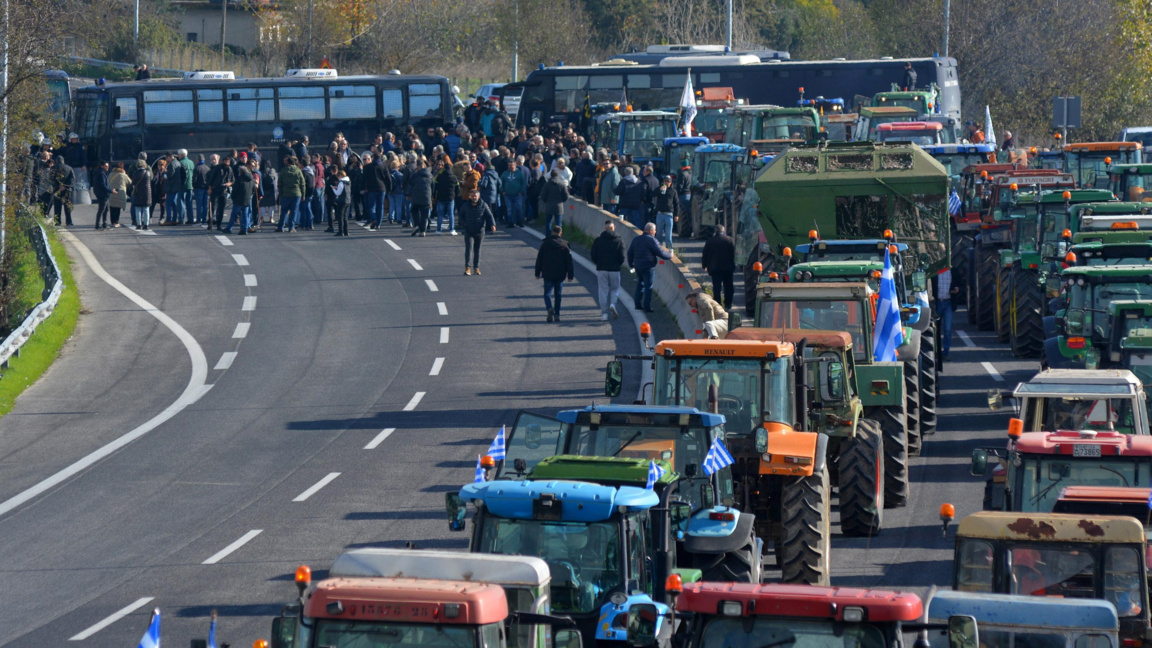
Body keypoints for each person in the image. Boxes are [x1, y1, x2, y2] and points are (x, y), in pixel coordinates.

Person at [627, 222, 672, 313]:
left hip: (638, 266)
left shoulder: (636, 239)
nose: (655, 232)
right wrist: (670, 255)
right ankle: (647, 307)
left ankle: (637, 304)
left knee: (640, 283)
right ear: (651, 231)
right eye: (655, 230)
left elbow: (629, 253)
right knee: (649, 286)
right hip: (648, 267)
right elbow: (661, 253)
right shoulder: (652, 240)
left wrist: (631, 265)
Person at [535, 225, 575, 322]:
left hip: (548, 273)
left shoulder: (545, 244)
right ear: (560, 234)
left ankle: (549, 308)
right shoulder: (565, 245)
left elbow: (539, 259)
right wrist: (570, 275)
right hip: (560, 274)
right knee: (558, 295)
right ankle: (557, 314)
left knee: (547, 294)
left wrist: (537, 273)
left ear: (552, 232)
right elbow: (569, 262)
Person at [590, 220, 626, 321]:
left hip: (602, 269)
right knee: (615, 289)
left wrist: (598, 263)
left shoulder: (598, 240)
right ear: (613, 228)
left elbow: (593, 255)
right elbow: (622, 256)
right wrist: (617, 264)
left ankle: (604, 313)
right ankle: (613, 304)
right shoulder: (619, 241)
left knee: (603, 290)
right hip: (614, 269)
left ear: (605, 228)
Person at [460, 188, 497, 275]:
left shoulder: (483, 205)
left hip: (480, 231)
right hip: (469, 230)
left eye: (475, 196)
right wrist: (464, 224)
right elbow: (461, 215)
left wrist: (493, 224)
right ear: (470, 196)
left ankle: (476, 267)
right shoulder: (465, 205)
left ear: (478, 196)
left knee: (477, 250)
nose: (474, 197)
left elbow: (489, 215)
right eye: (472, 196)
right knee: (468, 249)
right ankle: (467, 268)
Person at [701, 224, 737, 310]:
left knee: (716, 288)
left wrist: (704, 265)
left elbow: (705, 254)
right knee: (728, 287)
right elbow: (733, 254)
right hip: (727, 269)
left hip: (715, 268)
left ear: (715, 232)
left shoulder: (710, 241)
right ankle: (728, 304)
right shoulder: (729, 240)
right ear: (723, 231)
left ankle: (718, 305)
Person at [224, 161, 254, 235]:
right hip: (247, 199)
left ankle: (229, 228)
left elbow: (235, 190)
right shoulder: (251, 179)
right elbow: (253, 189)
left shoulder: (239, 179)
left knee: (234, 214)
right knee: (245, 214)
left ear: (240, 172)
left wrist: (233, 198)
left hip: (238, 200)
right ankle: (245, 229)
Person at [363, 153, 391, 229]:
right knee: (380, 206)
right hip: (382, 188)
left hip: (371, 188)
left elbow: (364, 178)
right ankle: (379, 223)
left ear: (373, 158)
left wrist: (363, 187)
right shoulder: (383, 166)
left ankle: (373, 218)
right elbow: (388, 178)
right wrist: (389, 188)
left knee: (372, 205)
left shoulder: (368, 167)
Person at [277, 156, 305, 232]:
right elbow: (302, 183)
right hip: (296, 193)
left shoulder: (283, 171)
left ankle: (280, 226)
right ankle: (291, 227)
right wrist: (303, 194)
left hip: (285, 193)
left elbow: (279, 184)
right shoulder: (298, 171)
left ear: (288, 162)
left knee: (284, 211)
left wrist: (281, 193)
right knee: (294, 211)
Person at [934, 268, 957, 359]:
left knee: (947, 329)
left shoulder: (953, 271)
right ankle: (936, 351)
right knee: (935, 328)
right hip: (937, 303)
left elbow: (959, 284)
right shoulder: (935, 272)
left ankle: (946, 351)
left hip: (948, 303)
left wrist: (957, 289)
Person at [653, 175, 679, 252]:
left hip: (669, 214)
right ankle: (659, 249)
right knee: (659, 234)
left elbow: (676, 203)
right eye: (665, 181)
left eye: (668, 181)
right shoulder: (660, 189)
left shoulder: (673, 191)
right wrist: (659, 190)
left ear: (671, 183)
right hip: (660, 213)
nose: (667, 183)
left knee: (668, 235)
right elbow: (652, 194)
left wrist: (676, 215)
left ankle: (669, 250)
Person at [433, 157, 460, 234]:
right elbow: (457, 187)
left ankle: (438, 229)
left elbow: (436, 187)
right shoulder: (454, 177)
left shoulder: (440, 176)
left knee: (440, 214)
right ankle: (451, 229)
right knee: (451, 214)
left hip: (441, 197)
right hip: (451, 197)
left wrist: (434, 196)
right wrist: (455, 195)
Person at [407, 159, 433, 236]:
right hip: (427, 196)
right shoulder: (430, 175)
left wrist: (408, 194)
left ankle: (417, 225)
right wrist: (432, 196)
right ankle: (423, 231)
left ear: (418, 166)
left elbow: (410, 183)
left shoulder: (415, 175)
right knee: (424, 214)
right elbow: (433, 186)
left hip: (416, 196)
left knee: (414, 211)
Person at [500, 158, 528, 228]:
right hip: (507, 195)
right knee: (509, 209)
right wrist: (502, 191)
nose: (510, 167)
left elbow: (524, 183)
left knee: (519, 208)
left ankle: (519, 221)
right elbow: (500, 183)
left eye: (511, 165)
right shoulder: (505, 173)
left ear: (515, 166)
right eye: (509, 165)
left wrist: (521, 191)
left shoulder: (520, 173)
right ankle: (511, 222)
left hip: (517, 194)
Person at [208, 153, 233, 230]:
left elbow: (233, 180)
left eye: (228, 162)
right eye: (225, 161)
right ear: (222, 161)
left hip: (224, 190)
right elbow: (211, 179)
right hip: (215, 189)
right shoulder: (218, 168)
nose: (226, 163)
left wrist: (230, 183)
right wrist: (210, 188)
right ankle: (210, 223)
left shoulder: (230, 169)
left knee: (221, 209)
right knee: (212, 207)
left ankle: (219, 225)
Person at [51, 155, 75, 226]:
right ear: (63, 161)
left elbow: (50, 179)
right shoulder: (69, 168)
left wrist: (58, 186)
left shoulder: (53, 168)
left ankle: (57, 222)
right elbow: (72, 179)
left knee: (57, 206)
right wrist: (65, 186)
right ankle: (69, 221)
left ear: (56, 161)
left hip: (57, 189)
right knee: (67, 206)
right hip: (67, 189)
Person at [131, 158, 153, 230]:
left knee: (138, 209)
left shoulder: (135, 173)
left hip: (138, 193)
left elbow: (133, 182)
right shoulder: (148, 173)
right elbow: (151, 180)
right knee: (146, 209)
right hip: (147, 193)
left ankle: (139, 224)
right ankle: (146, 224)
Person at [107, 161, 130, 227]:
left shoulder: (111, 174)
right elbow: (129, 181)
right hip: (120, 193)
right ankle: (116, 222)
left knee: (112, 208)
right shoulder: (123, 174)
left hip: (112, 192)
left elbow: (107, 181)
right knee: (117, 208)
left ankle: (112, 222)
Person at [331, 164, 351, 236]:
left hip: (342, 201)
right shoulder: (348, 182)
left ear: (340, 176)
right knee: (345, 217)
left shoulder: (341, 182)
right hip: (348, 200)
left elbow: (338, 193)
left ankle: (340, 231)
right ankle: (346, 231)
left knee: (340, 216)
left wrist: (334, 189)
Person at [92, 160, 110, 229]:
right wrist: (110, 190)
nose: (107, 167)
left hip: (103, 193)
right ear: (102, 166)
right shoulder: (101, 173)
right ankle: (97, 225)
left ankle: (104, 223)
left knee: (106, 209)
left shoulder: (102, 172)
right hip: (102, 194)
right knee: (101, 209)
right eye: (106, 166)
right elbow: (103, 185)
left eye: (108, 166)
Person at [193, 154, 211, 224]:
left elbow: (194, 179)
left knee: (199, 205)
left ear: (198, 160)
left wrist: (194, 187)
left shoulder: (197, 168)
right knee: (205, 205)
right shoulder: (207, 168)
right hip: (206, 188)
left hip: (199, 188)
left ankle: (198, 219)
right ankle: (204, 219)